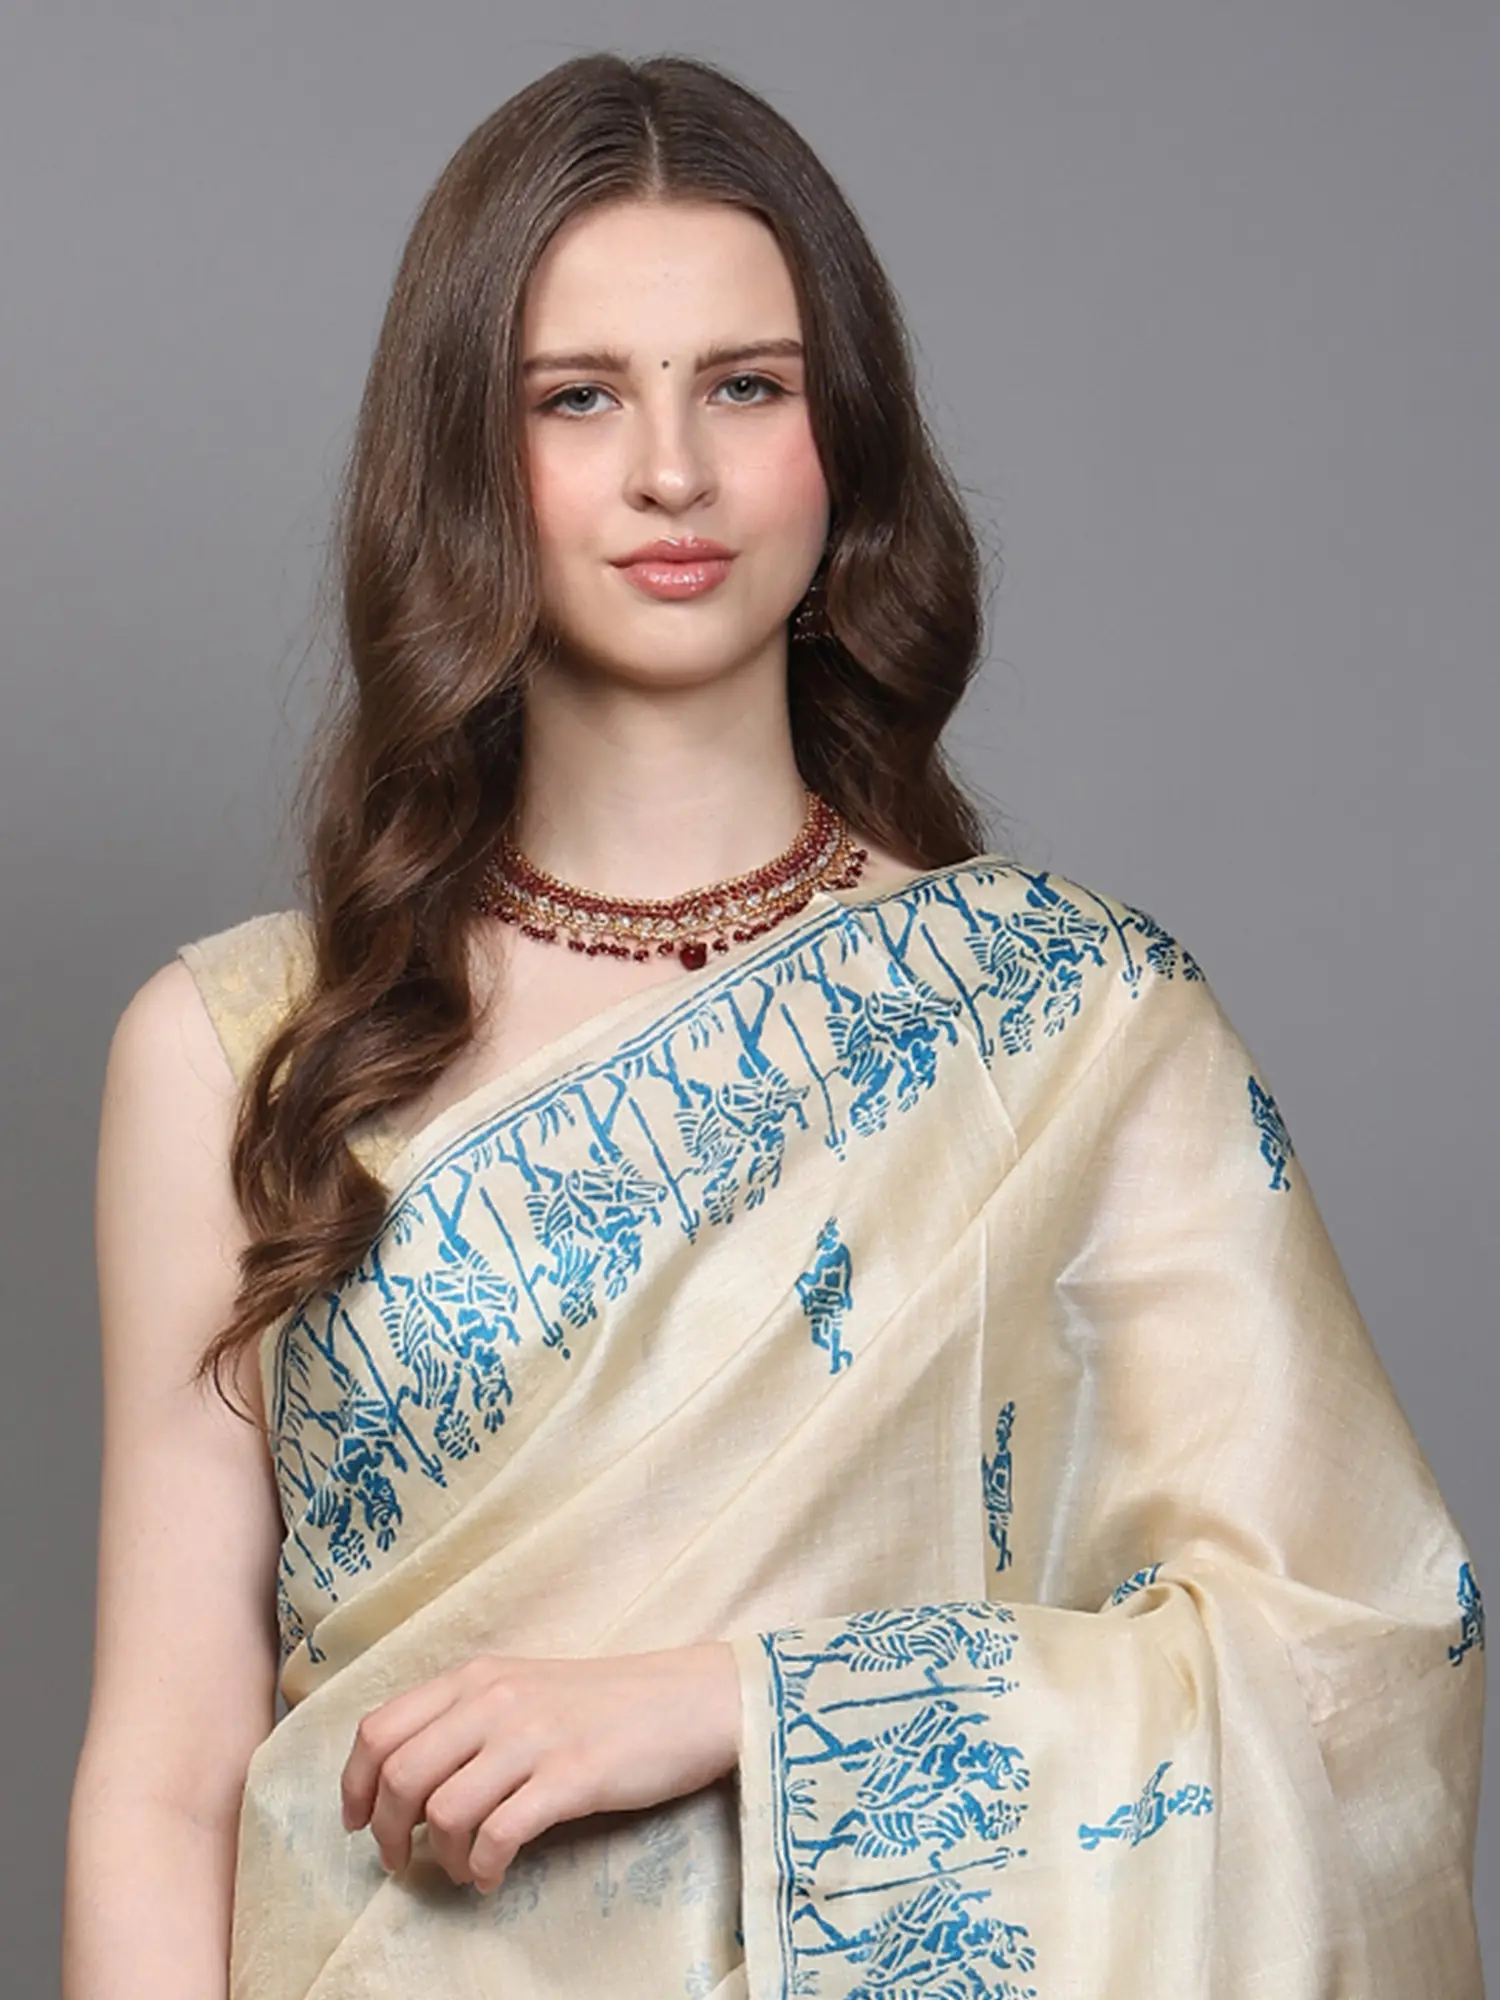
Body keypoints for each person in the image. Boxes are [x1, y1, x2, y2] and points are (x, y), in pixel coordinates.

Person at [63, 48, 1485, 2000]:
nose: (676, 470)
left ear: (846, 448)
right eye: (578, 397)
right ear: (465, 464)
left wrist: (741, 1703)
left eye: (747, 385)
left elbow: (1356, 1676)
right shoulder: (243, 1047)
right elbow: (163, 1787)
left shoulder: (1070, 1024)